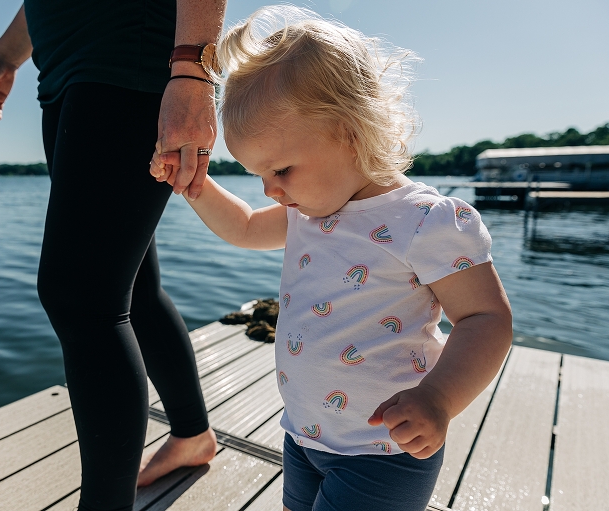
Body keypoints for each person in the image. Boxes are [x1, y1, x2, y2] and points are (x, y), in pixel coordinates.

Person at [151, 6, 513, 511]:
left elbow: (486, 318)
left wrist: (440, 399)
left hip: (385, 450)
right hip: (304, 437)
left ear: (350, 131)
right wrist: (196, 187)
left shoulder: (425, 221)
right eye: (259, 176)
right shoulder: (307, 212)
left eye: (280, 169)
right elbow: (245, 227)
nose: (270, 191)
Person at [0, 1, 226, 509]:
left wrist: (193, 69)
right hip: (64, 75)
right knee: (128, 288)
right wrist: (5, 58)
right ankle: (192, 435)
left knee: (83, 299)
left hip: (127, 60)